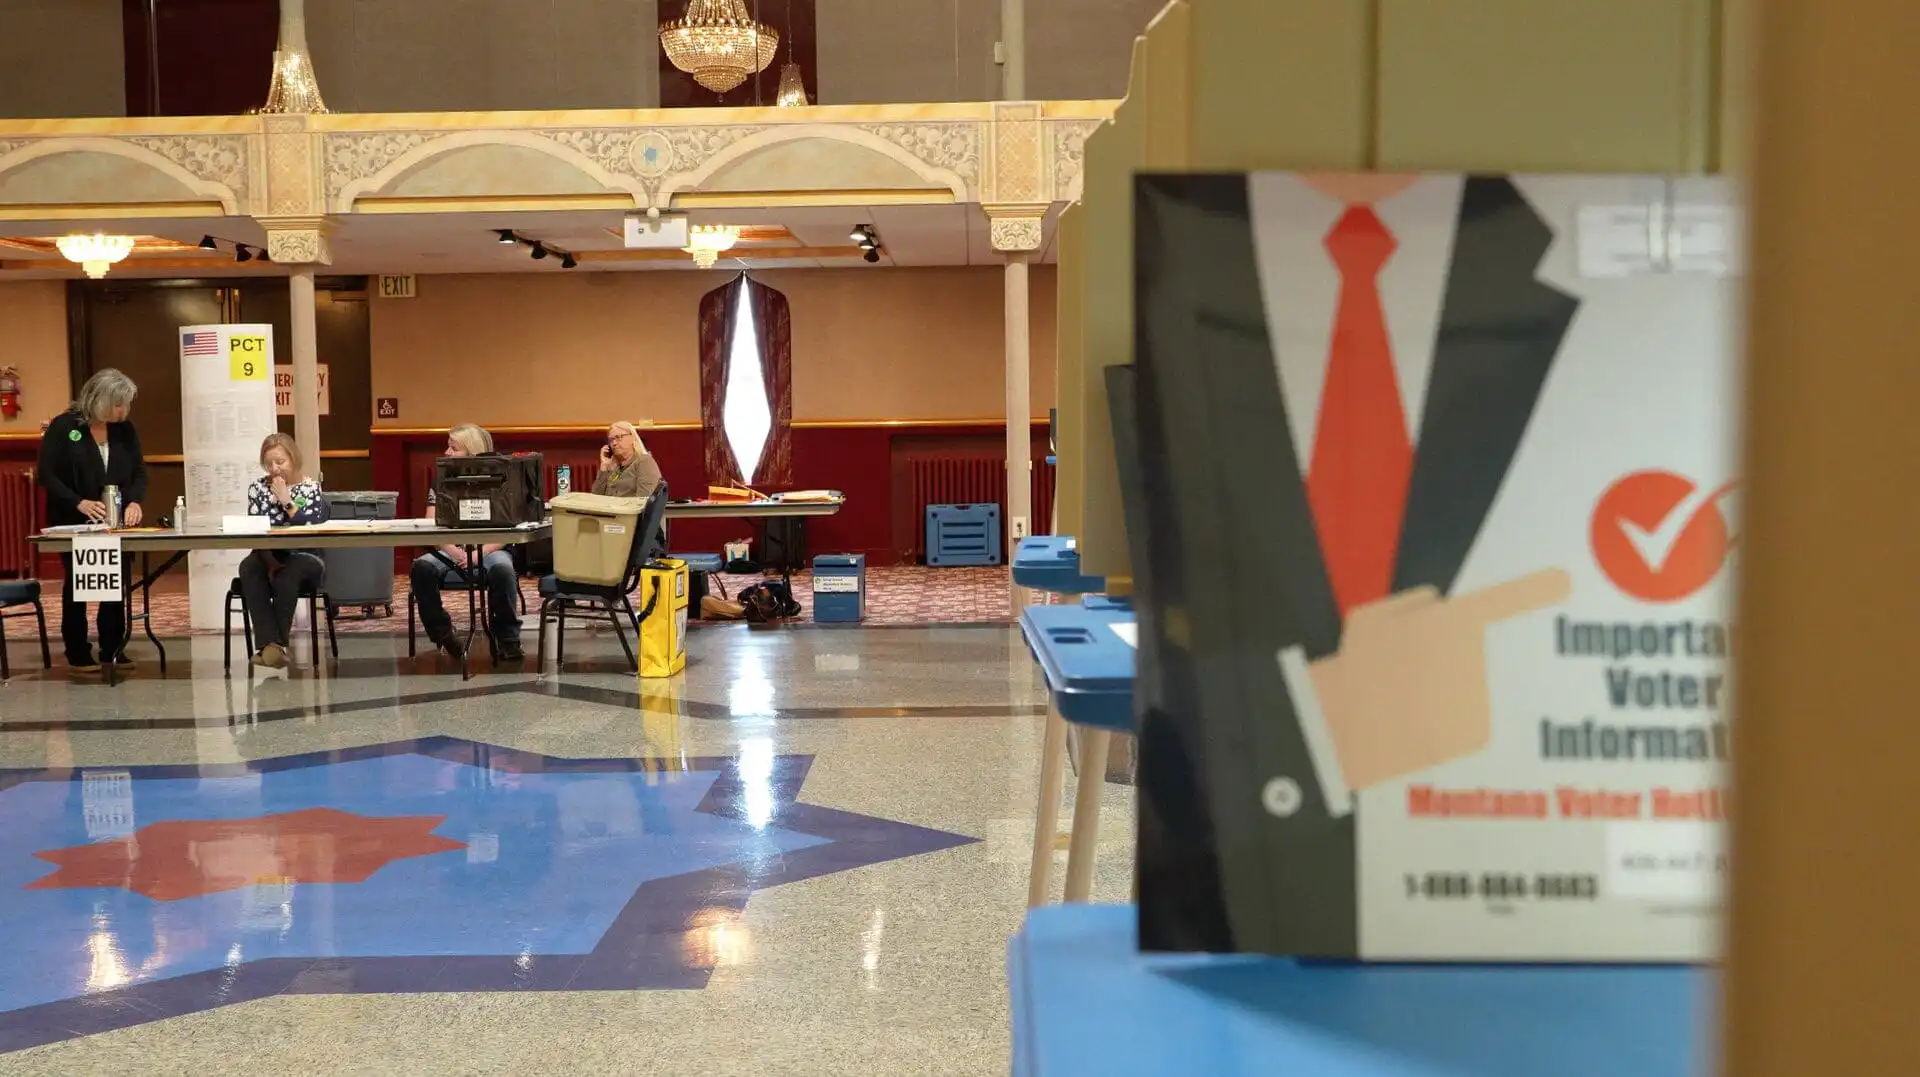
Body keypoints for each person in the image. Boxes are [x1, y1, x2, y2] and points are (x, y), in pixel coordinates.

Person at [37, 368, 147, 673]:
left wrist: (134, 501)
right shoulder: (65, 426)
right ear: (99, 400)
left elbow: (139, 473)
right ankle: (77, 651)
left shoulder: (125, 430)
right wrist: (79, 502)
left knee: (114, 582)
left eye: (126, 404)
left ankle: (112, 647)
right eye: (117, 404)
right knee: (79, 582)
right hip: (73, 519)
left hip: (114, 523)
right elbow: (46, 475)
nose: (123, 411)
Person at [412, 422, 523, 662]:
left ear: (472, 452)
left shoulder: (502, 480)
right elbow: (431, 522)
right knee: (422, 567)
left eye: (454, 448)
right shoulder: (441, 480)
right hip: (451, 549)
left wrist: (477, 554)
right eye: (448, 446)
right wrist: (456, 552)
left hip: (490, 547)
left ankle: (508, 639)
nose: (447, 452)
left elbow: (508, 531)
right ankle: (443, 634)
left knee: (503, 570)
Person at [236, 433, 329, 669]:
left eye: (280, 462)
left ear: (293, 459)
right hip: (268, 553)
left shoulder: (311, 488)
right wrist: (269, 561)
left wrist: (287, 501)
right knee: (249, 566)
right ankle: (271, 645)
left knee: (288, 572)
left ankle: (274, 645)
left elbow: (312, 529)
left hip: (304, 555)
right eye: (269, 464)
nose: (275, 469)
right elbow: (255, 528)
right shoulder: (258, 488)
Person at [593, 421, 663, 500]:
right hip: (608, 507)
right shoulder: (614, 465)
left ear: (632, 438)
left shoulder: (644, 461)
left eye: (618, 437)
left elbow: (644, 500)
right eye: (611, 439)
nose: (614, 443)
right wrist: (604, 467)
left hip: (629, 508)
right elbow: (596, 498)